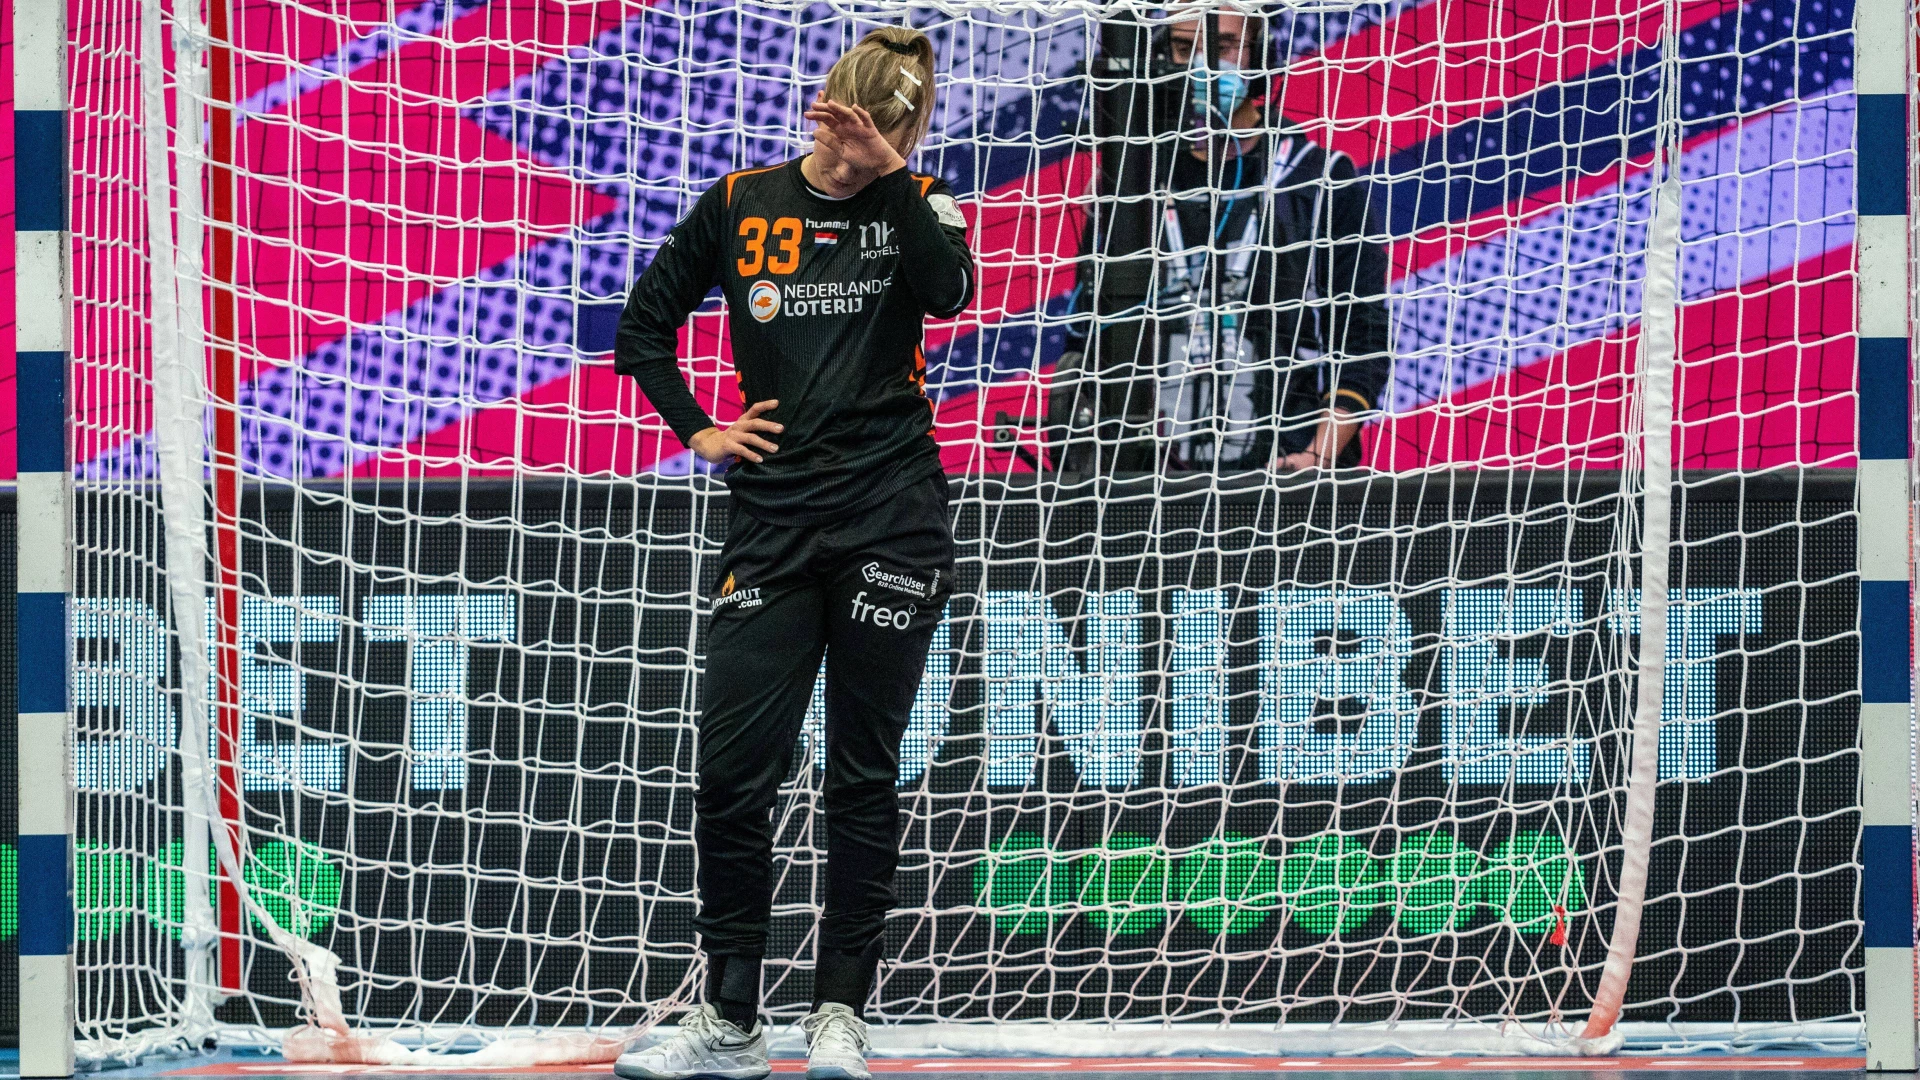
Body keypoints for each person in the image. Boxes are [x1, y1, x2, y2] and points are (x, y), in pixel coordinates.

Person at [608, 25, 972, 1080]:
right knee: (733, 773)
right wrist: (699, 429)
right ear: (827, 113)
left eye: (895, 136)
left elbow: (949, 293)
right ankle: (730, 1020)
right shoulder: (740, 202)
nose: (867, 153)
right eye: (862, 133)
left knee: (862, 770)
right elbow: (642, 328)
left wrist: (891, 173)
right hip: (772, 522)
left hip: (891, 516)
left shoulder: (921, 200)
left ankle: (840, 1012)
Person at [1055, 10, 1391, 472]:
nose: (1203, 65)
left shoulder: (1319, 177)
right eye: (1183, 48)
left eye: (1223, 46)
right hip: (1151, 477)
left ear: (1262, 55)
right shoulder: (1130, 180)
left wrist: (1316, 455)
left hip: (1284, 472)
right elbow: (1086, 340)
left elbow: (1362, 337)